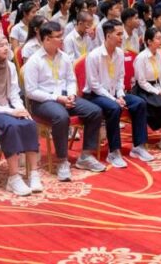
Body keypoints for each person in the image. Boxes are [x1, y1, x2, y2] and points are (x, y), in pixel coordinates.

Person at [22, 21, 106, 181]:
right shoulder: (34, 60)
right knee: (61, 117)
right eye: (58, 36)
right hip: (43, 101)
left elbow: (71, 80)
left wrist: (72, 94)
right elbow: (31, 91)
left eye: (61, 35)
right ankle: (62, 161)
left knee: (95, 111)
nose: (62, 39)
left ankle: (86, 156)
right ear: (47, 39)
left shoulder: (65, 57)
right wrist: (57, 98)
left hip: (65, 97)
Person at [0, 33, 41, 196]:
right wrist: (12, 111)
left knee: (29, 122)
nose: (6, 48)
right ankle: (13, 177)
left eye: (7, 44)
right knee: (11, 126)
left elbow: (14, 94)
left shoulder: (10, 66)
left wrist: (21, 109)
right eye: (1, 45)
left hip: (7, 107)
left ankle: (33, 173)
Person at [83, 18, 154, 165]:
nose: (122, 37)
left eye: (122, 34)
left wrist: (120, 94)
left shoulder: (120, 53)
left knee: (139, 103)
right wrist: (114, 99)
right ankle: (114, 151)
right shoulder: (94, 55)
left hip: (114, 93)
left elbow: (120, 77)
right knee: (114, 108)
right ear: (108, 36)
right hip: (94, 95)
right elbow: (94, 85)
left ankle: (138, 146)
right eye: (119, 34)